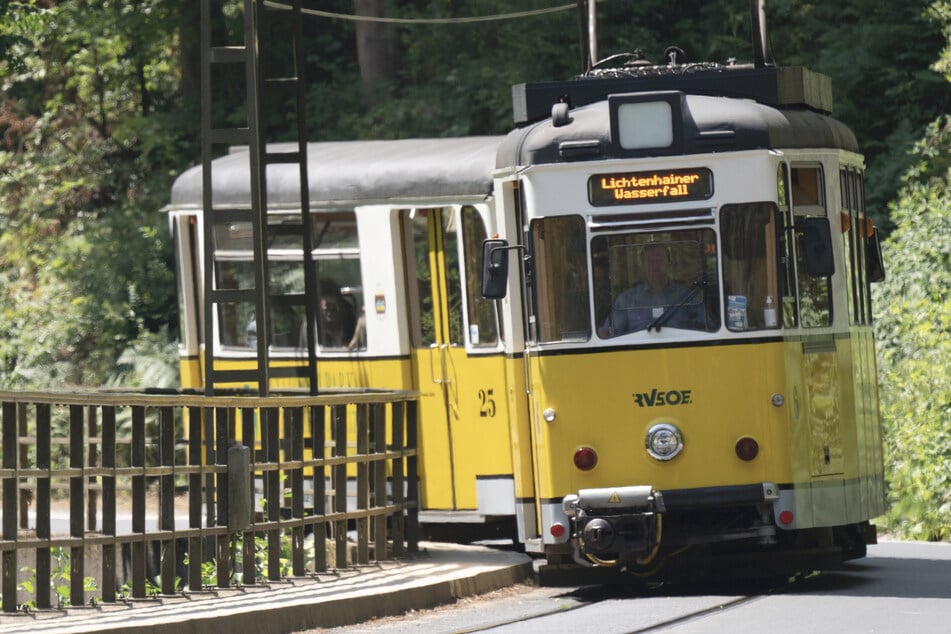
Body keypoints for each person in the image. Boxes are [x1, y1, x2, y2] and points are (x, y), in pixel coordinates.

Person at [601, 243, 707, 336]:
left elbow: (706, 327)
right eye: (650, 261)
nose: (655, 265)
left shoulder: (688, 296)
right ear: (643, 266)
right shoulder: (626, 300)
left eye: (660, 259)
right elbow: (608, 332)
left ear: (669, 264)